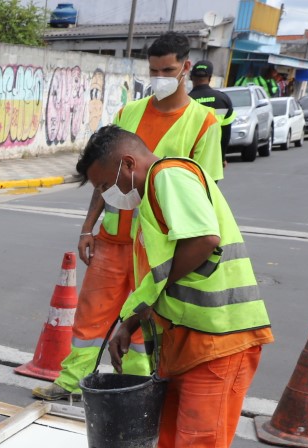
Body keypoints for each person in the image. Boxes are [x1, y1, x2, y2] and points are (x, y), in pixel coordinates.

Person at [76, 125, 273, 448]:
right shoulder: (151, 198)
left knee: (200, 446)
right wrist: (133, 319)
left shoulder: (169, 176)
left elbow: (203, 241)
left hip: (220, 339)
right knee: (170, 439)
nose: (107, 196)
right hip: (186, 338)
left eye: (105, 185)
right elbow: (163, 274)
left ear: (127, 165)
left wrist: (138, 307)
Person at [34, 32, 223, 402]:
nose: (159, 78)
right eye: (153, 70)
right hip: (113, 238)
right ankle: (72, 382)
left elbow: (207, 193)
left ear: (186, 67)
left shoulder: (204, 124)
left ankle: (134, 390)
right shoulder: (130, 112)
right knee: (91, 315)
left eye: (167, 69)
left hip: (155, 245)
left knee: (141, 321)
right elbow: (104, 176)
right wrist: (88, 227)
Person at [187, 60, 233, 165]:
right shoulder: (223, 99)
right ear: (210, 77)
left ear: (191, 77)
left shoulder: (185, 101)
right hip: (213, 160)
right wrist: (222, 157)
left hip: (190, 160)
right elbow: (226, 133)